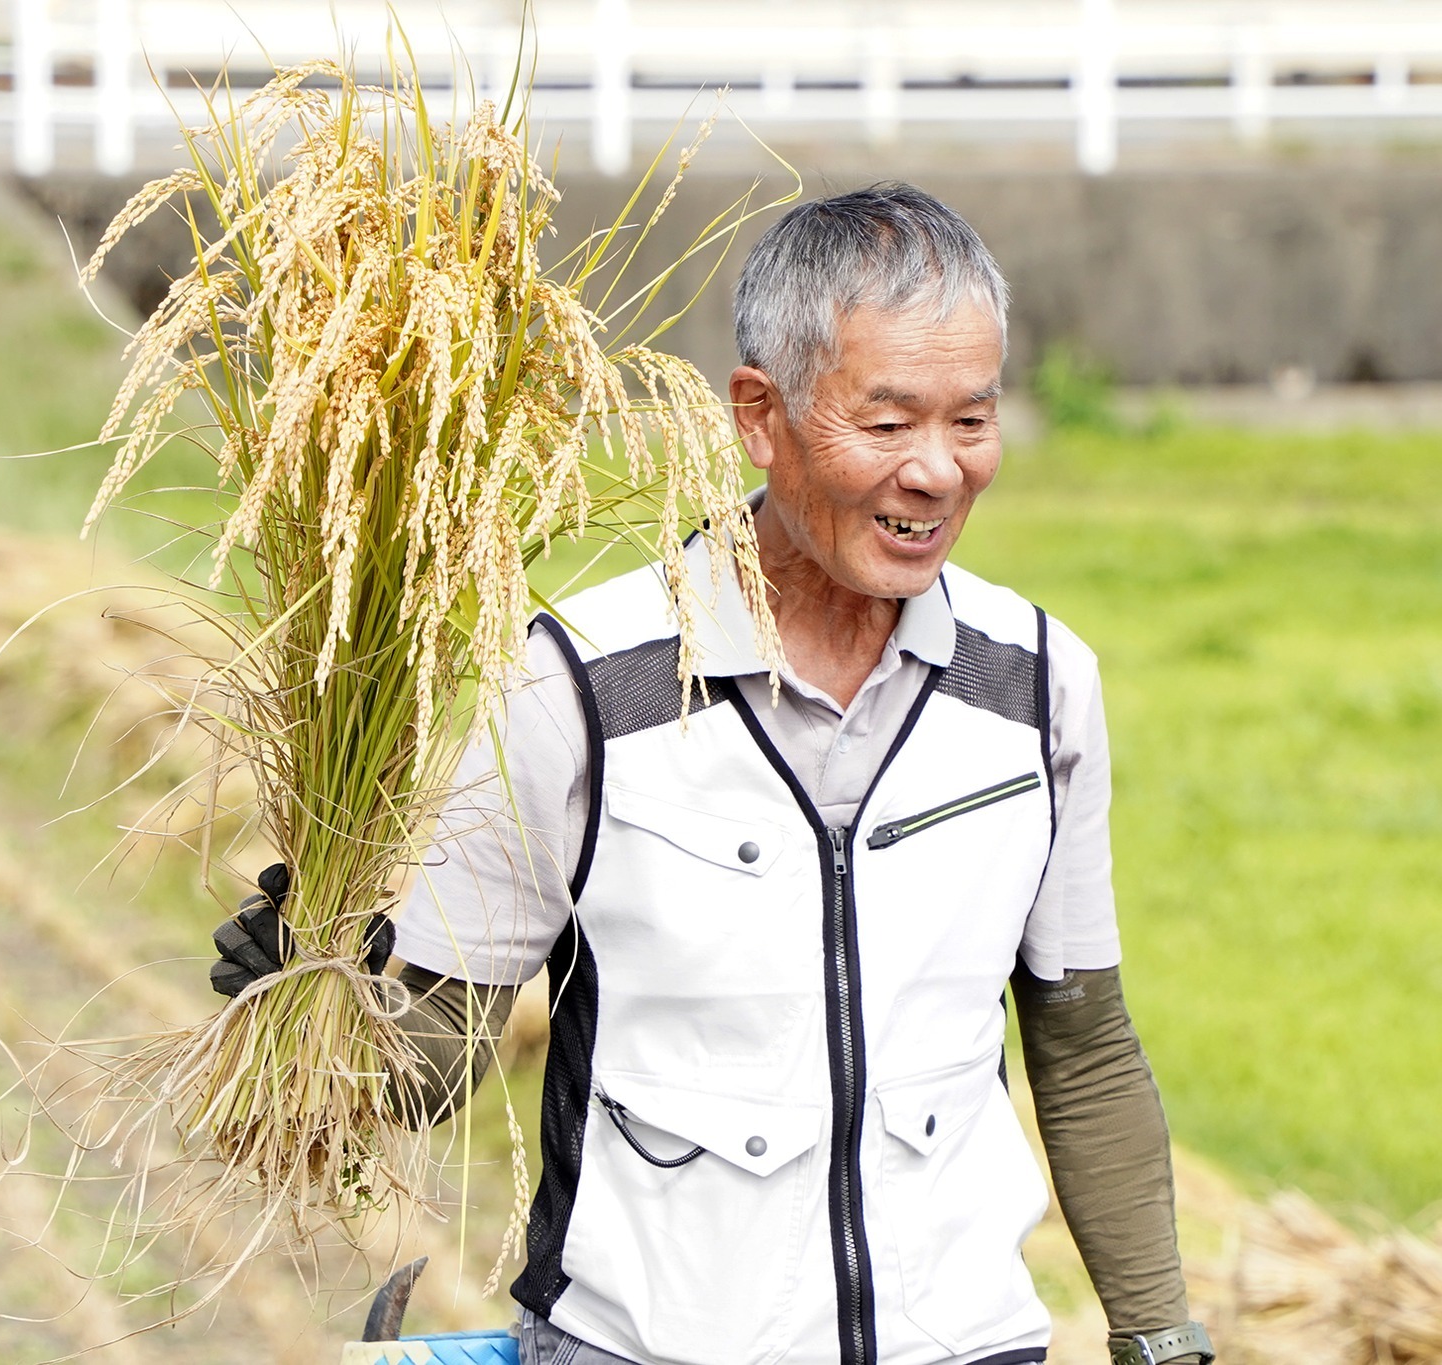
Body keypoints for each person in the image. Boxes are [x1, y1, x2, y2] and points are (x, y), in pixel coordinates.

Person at [213, 184, 1212, 1365]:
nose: (938, 474)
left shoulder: (1034, 686)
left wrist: (1157, 1338)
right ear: (759, 415)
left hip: (964, 1344)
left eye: (972, 422)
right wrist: (317, 985)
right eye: (886, 426)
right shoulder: (579, 688)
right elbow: (435, 1064)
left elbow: (1082, 1042)